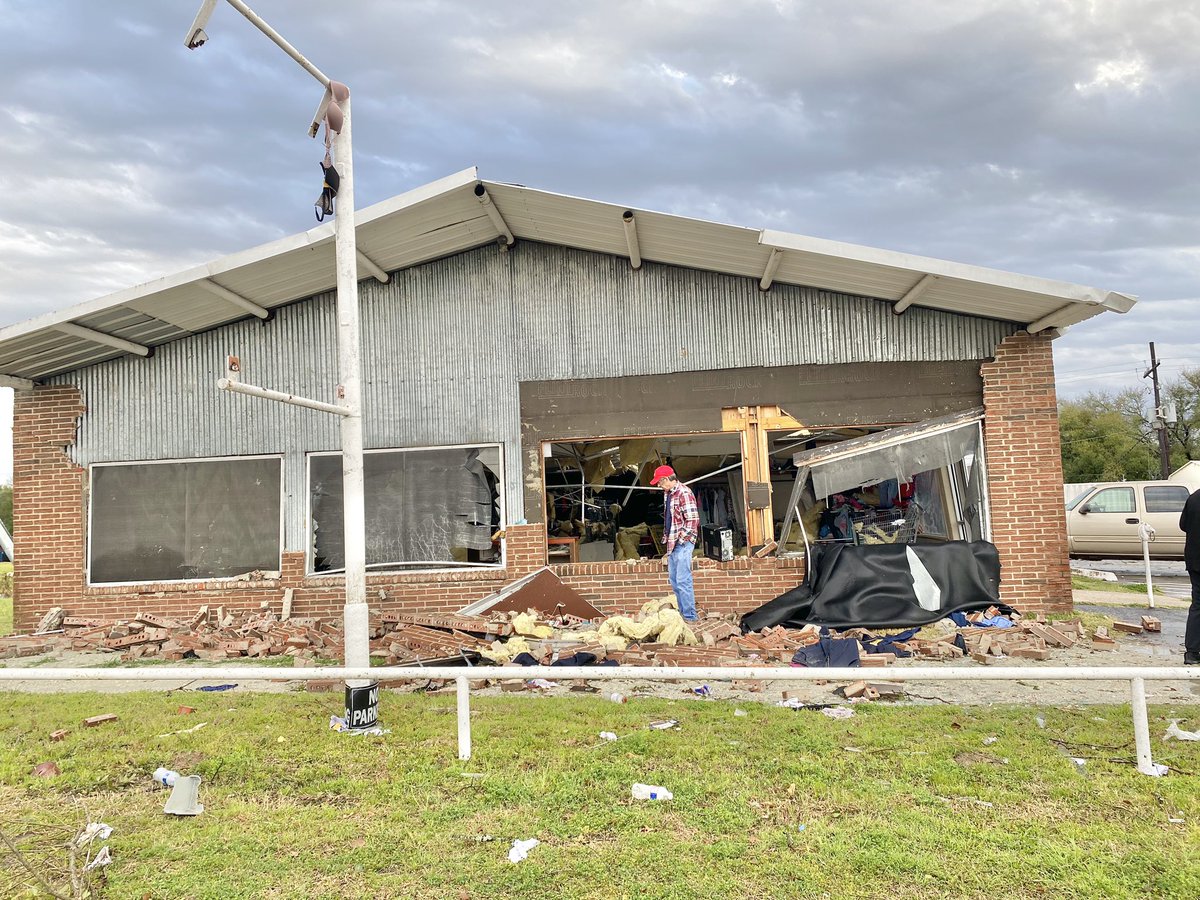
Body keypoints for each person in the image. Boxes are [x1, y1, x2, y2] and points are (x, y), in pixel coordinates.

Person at [650, 464, 699, 622]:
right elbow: (671, 519)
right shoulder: (668, 493)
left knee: (683, 579)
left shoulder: (684, 492)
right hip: (673, 543)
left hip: (682, 543)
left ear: (666, 479)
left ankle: (690, 617)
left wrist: (680, 540)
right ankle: (683, 614)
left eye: (660, 482)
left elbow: (692, 520)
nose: (659, 485)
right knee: (675, 580)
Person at [1181, 486, 1200, 665]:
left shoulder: (1193, 498)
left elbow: (1183, 525)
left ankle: (1192, 652)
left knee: (1197, 605)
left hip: (1195, 560)